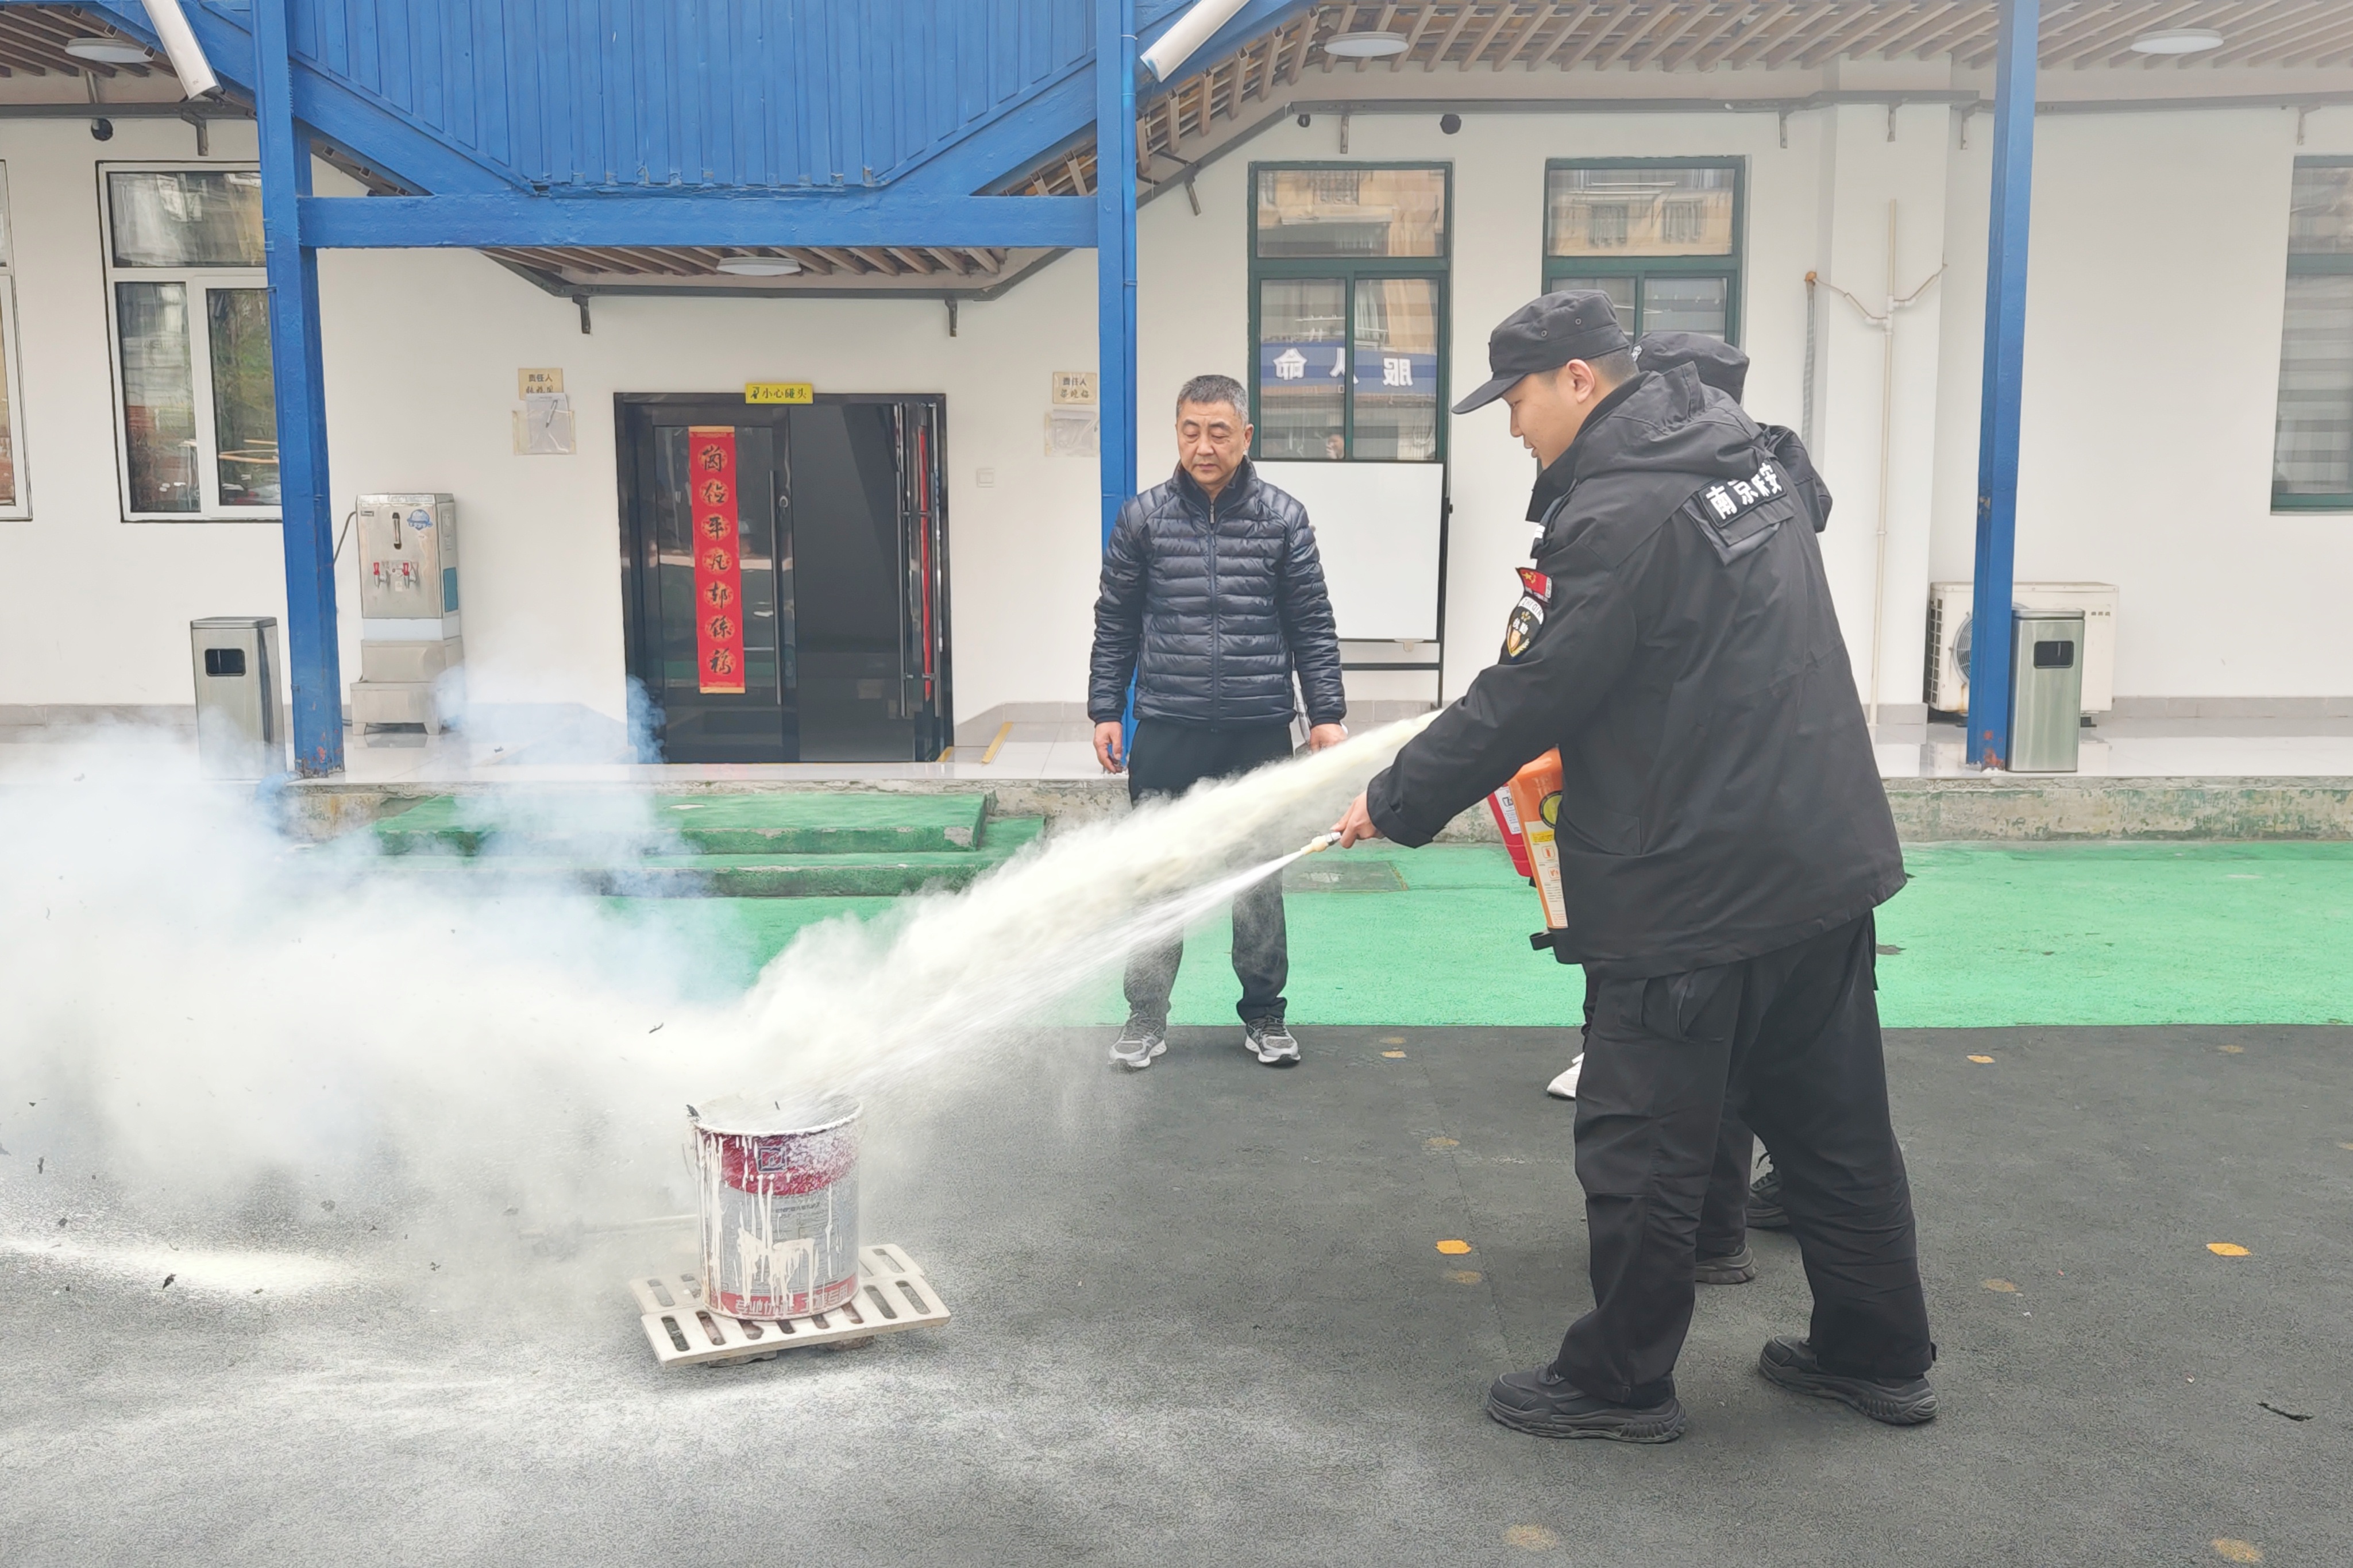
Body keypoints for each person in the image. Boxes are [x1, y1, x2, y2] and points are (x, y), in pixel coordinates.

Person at [1330, 292, 1935, 1443]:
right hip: (1818, 857)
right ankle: (1878, 1354)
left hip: (1692, 882)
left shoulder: (1616, 514)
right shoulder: (1747, 456)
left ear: (1577, 379)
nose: (1512, 427)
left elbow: (1532, 692)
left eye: (1515, 400)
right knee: (1833, 1127)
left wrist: (1395, 798)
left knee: (1641, 1141)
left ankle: (1619, 1382)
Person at [1090, 373, 1348, 1070]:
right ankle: (1146, 1016)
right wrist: (1106, 708)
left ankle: (1264, 1015)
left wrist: (1325, 714)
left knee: (1256, 879)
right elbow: (1115, 622)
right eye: (1190, 431)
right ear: (1177, 433)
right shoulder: (1142, 519)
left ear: (1245, 436)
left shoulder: (1283, 518)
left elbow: (1312, 624)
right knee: (1156, 878)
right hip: (1166, 727)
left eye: (1218, 432)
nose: (1203, 447)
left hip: (1255, 728)